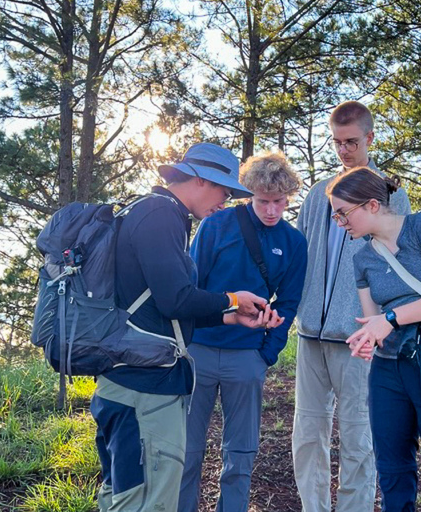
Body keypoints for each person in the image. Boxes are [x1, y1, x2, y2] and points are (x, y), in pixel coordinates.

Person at [90, 142, 284, 512]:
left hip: (125, 380)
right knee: (150, 498)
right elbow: (174, 299)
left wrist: (227, 316)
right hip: (145, 390)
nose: (225, 202)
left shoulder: (148, 211)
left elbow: (159, 305)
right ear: (199, 180)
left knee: (122, 493)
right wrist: (231, 299)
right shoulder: (160, 214)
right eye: (224, 191)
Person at [326, 167, 421, 512]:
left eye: (343, 213)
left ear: (373, 205)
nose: (339, 222)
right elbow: (371, 318)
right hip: (388, 370)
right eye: (335, 215)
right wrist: (367, 338)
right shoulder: (362, 258)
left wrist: (391, 319)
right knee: (392, 467)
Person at [293, 100, 411, 512]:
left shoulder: (391, 196)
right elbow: (299, 255)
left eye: (352, 142)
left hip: (361, 337)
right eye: (337, 143)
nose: (344, 151)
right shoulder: (316, 195)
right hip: (310, 335)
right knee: (308, 435)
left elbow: (399, 266)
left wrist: (385, 324)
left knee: (359, 437)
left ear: (370, 138)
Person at [179, 152, 308, 511]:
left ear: (288, 199)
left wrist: (266, 353)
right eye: (263, 201)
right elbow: (192, 288)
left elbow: (290, 301)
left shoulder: (294, 243)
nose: (271, 210)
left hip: (248, 355)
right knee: (187, 450)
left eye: (279, 202)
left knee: (241, 453)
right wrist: (188, 343)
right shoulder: (216, 226)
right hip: (199, 350)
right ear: (250, 194)